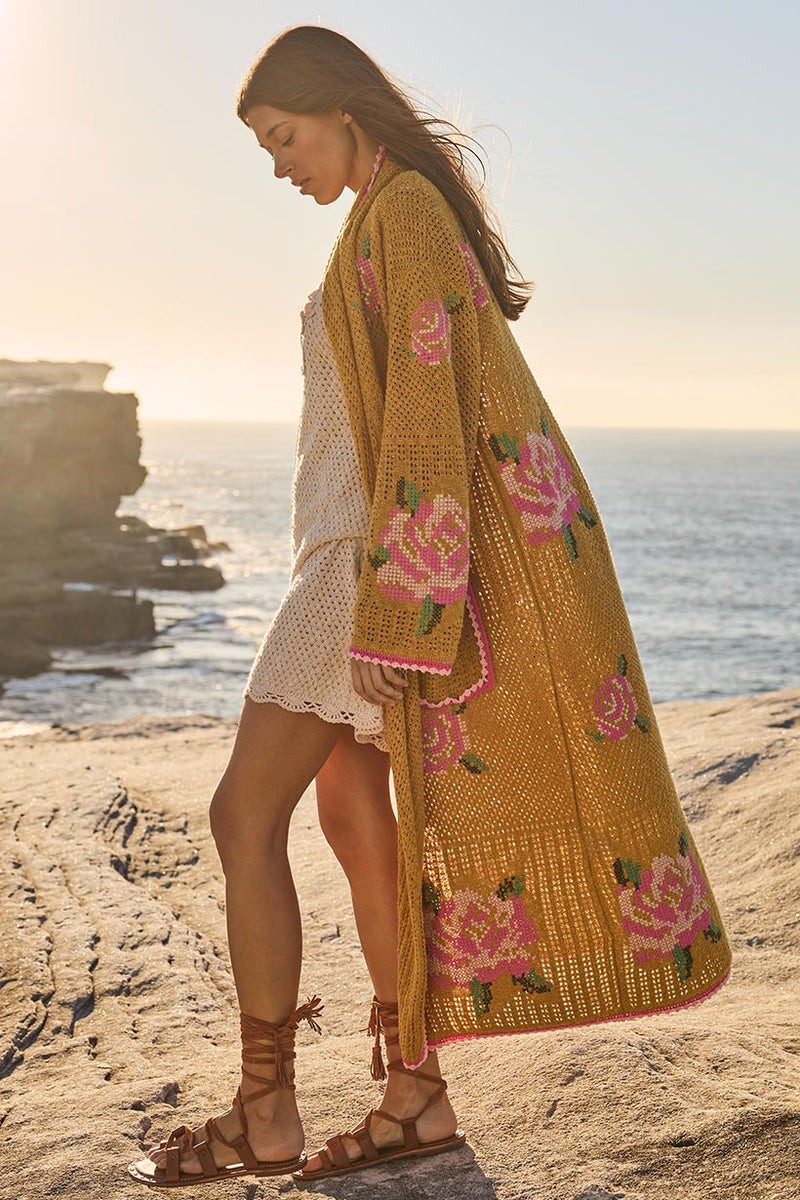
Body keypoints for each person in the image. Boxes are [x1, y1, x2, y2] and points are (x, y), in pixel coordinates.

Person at [128, 22, 733, 1189]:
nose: (277, 165)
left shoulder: (400, 211)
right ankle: (413, 1097)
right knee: (356, 817)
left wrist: (403, 613)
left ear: (339, 108)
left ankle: (264, 1112)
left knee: (240, 817)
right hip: (351, 561)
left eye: (282, 137)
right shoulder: (379, 213)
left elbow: (421, 417)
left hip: (358, 572)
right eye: (264, 148)